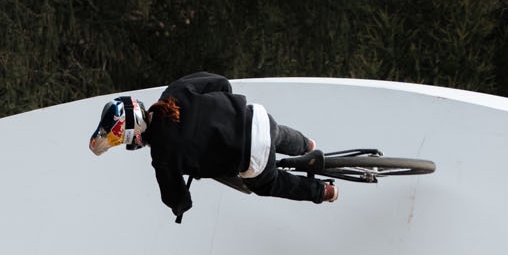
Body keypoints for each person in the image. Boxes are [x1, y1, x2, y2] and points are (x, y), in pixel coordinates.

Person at [88, 72, 336, 222]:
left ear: (133, 136)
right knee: (274, 131)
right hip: (256, 117)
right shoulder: (174, 92)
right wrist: (222, 109)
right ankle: (306, 144)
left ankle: (323, 191)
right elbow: (221, 83)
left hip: (250, 156)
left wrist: (180, 207)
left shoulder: (162, 156)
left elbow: (176, 197)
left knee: (266, 184)